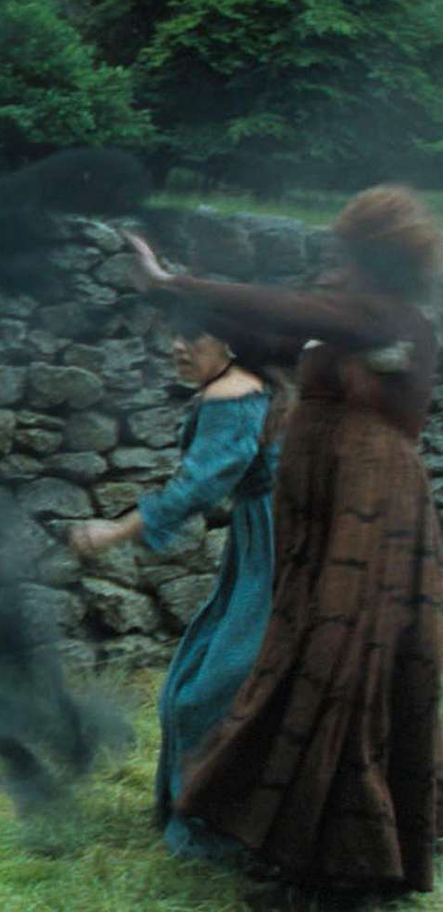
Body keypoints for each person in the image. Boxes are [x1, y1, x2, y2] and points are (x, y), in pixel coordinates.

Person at [124, 185, 443, 901]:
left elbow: (290, 311)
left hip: (370, 511)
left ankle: (351, 871)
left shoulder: (390, 319)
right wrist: (173, 296)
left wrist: (171, 281)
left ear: (375, 260)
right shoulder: (343, 325)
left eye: (345, 254)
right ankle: (300, 853)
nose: (331, 265)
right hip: (326, 509)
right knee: (303, 663)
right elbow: (260, 330)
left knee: (342, 666)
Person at [69, 317, 279, 861]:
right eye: (174, 336)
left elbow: (199, 485)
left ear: (228, 340)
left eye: (192, 337)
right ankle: (213, 813)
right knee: (195, 679)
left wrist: (115, 530)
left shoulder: (234, 397)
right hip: (260, 543)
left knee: (209, 692)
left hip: (282, 549)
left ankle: (229, 827)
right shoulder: (236, 389)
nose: (178, 348)